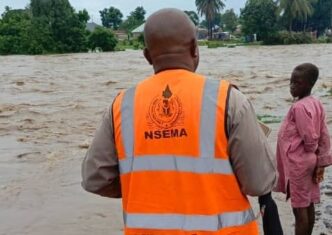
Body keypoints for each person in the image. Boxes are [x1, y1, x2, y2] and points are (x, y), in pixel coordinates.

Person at [82, 8, 278, 235]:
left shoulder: (121, 106)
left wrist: (145, 184)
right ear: (195, 48)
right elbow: (259, 182)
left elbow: (95, 178)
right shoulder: (228, 100)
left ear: (147, 56)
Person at [275, 63, 332, 235]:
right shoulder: (315, 103)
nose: (292, 86)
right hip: (308, 161)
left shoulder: (299, 107)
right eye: (291, 82)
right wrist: (321, 160)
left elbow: (310, 137)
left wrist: (311, 148)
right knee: (308, 203)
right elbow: (324, 133)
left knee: (299, 209)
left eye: (297, 83)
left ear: (310, 84)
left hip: (298, 163)